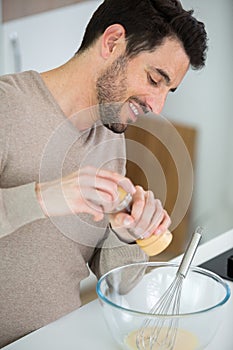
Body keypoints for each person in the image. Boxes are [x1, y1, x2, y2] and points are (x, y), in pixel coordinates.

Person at [0, 0, 207, 347]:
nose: (157, 106)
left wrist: (127, 233)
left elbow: (118, 283)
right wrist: (46, 196)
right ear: (112, 42)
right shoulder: (8, 106)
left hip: (63, 339)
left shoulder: (110, 141)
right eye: (155, 79)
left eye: (167, 91)